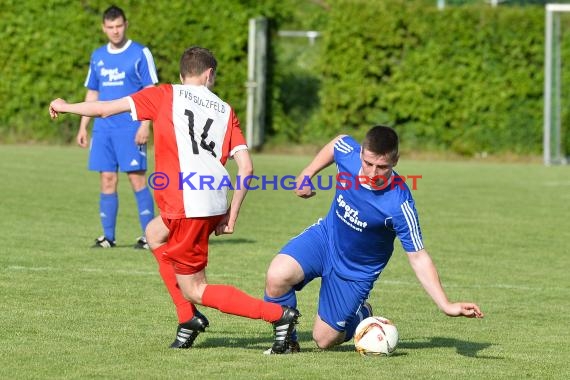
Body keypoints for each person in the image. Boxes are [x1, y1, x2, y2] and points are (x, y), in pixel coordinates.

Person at [49, 46, 300, 353]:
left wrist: (64, 105)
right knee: (155, 234)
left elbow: (103, 109)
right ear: (209, 75)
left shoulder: (165, 94)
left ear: (183, 75)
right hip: (210, 201)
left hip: (187, 205)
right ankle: (187, 318)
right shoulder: (225, 110)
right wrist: (231, 216)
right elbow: (246, 167)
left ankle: (279, 316)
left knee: (195, 288)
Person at [263, 125, 484, 353]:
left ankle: (362, 313)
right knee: (277, 275)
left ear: (395, 161)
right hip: (325, 239)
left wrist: (446, 304)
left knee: (323, 340)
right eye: (368, 164)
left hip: (355, 271)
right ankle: (288, 342)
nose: (372, 173)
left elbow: (418, 257)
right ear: (360, 153)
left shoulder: (399, 204)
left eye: (382, 167)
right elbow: (338, 142)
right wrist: (307, 173)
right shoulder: (349, 155)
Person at [79, 5, 158, 249]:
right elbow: (93, 91)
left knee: (137, 180)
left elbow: (151, 92)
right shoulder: (98, 56)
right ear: (104, 28)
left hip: (130, 128)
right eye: (110, 27)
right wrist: (84, 126)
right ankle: (108, 238)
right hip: (103, 130)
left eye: (119, 26)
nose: (115, 31)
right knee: (107, 180)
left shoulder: (140, 53)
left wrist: (145, 125)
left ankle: (149, 237)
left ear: (126, 25)